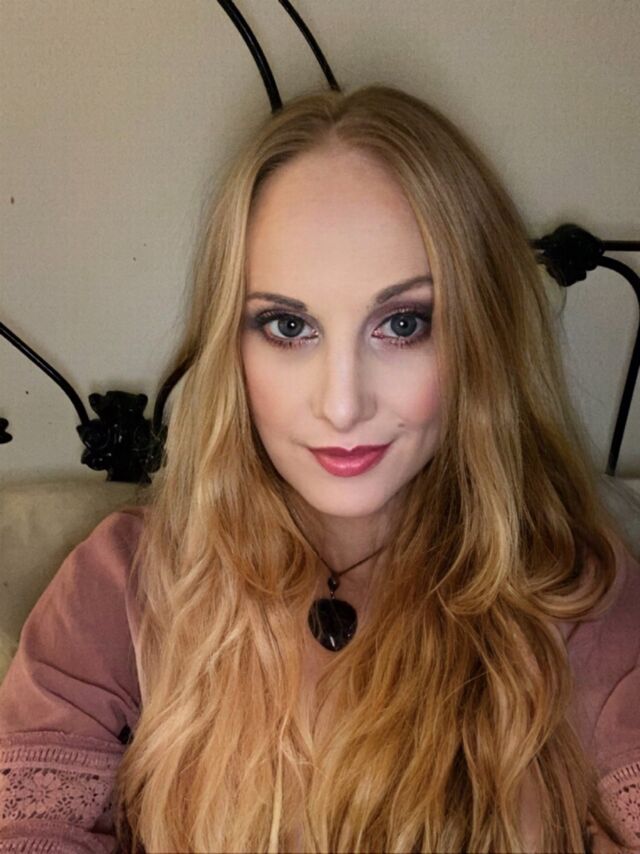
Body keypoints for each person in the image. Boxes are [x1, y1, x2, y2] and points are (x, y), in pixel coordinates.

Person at [1, 83, 639, 853]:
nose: (341, 405)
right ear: (231, 344)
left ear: (482, 337)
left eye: (403, 323)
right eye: (287, 325)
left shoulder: (574, 594)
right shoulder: (124, 584)